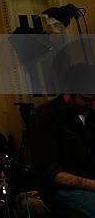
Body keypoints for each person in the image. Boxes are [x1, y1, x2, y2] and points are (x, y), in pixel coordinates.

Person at [29, 63, 95, 217]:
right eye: (86, 99)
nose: (93, 105)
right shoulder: (44, 116)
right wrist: (91, 185)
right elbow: (49, 173)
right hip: (64, 192)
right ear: (68, 92)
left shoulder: (92, 113)